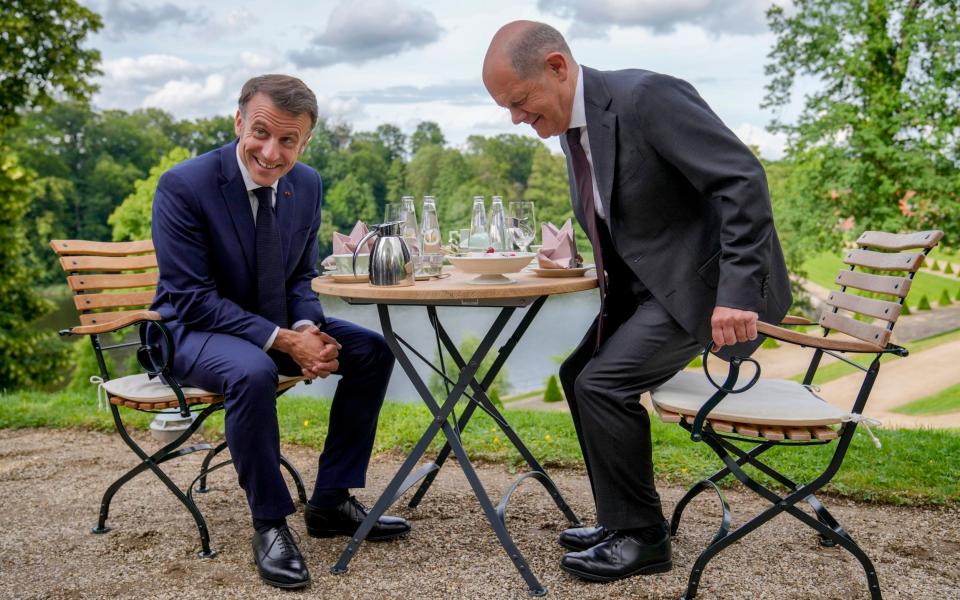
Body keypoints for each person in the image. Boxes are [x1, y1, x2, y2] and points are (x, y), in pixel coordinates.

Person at [482, 22, 792, 582]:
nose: (516, 118)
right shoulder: (576, 131)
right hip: (649, 289)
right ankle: (618, 519)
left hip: (705, 289)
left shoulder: (645, 96)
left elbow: (742, 180)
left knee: (604, 385)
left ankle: (644, 539)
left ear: (557, 67)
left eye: (520, 101)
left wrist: (737, 292)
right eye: (507, 107)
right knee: (581, 372)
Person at [151, 74, 410, 590]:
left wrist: (308, 327)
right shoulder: (184, 185)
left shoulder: (307, 184)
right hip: (192, 330)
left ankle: (331, 502)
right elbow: (192, 299)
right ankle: (270, 524)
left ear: (305, 140)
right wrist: (283, 341)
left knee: (371, 350)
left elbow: (298, 276)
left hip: (270, 322)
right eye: (262, 133)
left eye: (288, 140)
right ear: (239, 122)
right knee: (252, 371)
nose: (272, 152)